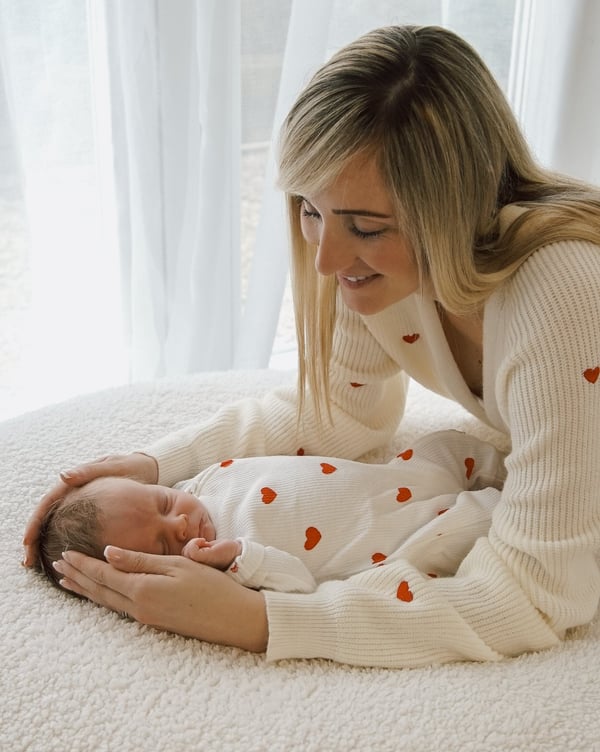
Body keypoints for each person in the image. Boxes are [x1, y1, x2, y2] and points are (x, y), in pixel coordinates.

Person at [24, 24, 600, 668]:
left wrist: (261, 619)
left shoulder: (565, 290)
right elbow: (345, 413)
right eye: (309, 209)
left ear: (453, 208)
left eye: (366, 226)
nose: (325, 258)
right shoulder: (391, 265)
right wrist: (152, 470)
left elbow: (537, 591)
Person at [39, 430, 506, 596]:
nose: (180, 523)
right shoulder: (223, 570)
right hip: (410, 532)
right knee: (487, 520)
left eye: (163, 504)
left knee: (448, 446)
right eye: (164, 545)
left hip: (393, 476)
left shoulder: (195, 485)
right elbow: (299, 584)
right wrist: (241, 558)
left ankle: (519, 468)